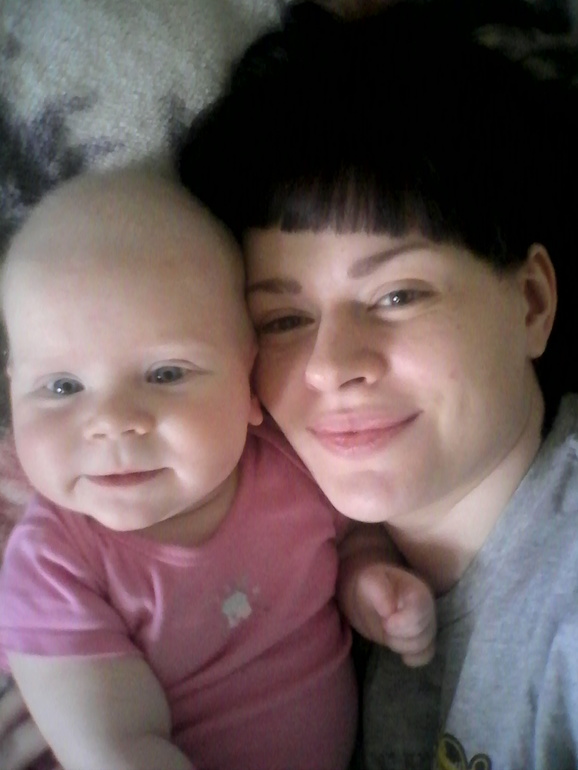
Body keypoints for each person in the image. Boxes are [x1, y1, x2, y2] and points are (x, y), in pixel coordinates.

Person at [176, 0, 578, 767]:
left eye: (397, 295)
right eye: (283, 320)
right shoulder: (294, 577)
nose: (330, 366)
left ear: (530, 302)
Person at [0, 168, 436, 770]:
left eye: (165, 374)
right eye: (62, 386)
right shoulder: (52, 567)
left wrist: (368, 578)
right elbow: (116, 752)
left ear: (249, 381)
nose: (112, 423)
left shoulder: (292, 465)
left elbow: (351, 538)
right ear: (13, 392)